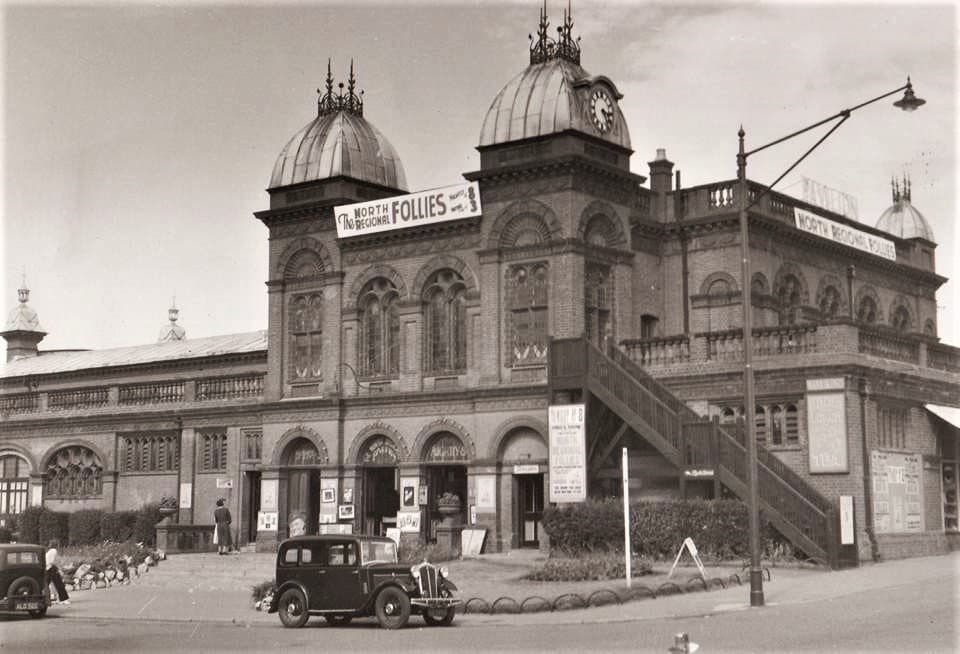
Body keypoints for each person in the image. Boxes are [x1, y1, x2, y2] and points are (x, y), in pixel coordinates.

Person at [45, 540, 70, 605]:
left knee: (46, 585)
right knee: (59, 584)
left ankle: (48, 598)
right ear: (56, 545)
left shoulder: (49, 551)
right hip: (51, 568)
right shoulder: (54, 551)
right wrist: (59, 569)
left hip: (47, 569)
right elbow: (52, 561)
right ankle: (64, 600)